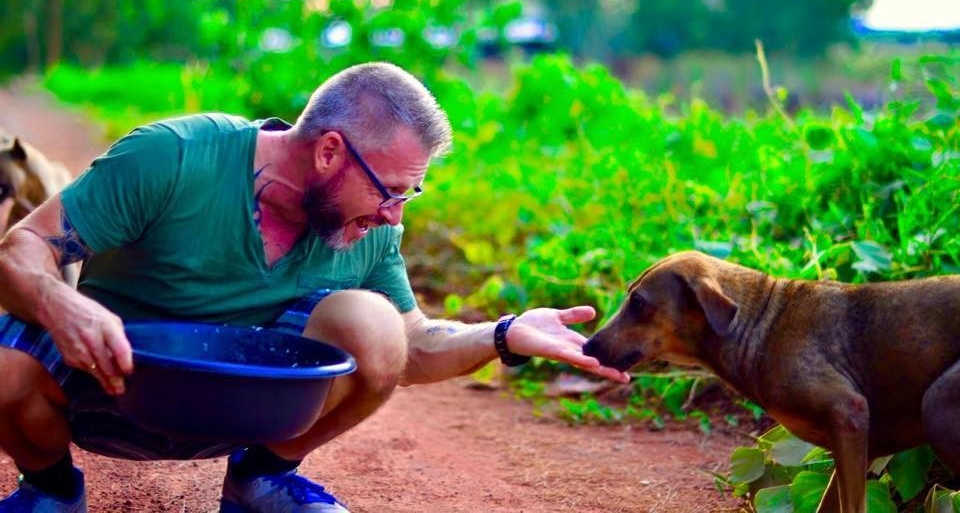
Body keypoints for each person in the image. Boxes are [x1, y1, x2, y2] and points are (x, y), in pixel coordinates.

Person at [0, 61, 629, 513]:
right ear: (329, 152)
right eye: (391, 190)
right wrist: (63, 304)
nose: (395, 215)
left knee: (375, 324)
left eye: (411, 194)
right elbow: (22, 248)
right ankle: (50, 490)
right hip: (109, 387)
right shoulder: (175, 157)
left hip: (244, 414)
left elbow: (411, 342)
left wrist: (503, 335)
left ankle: (260, 481)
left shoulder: (368, 226)